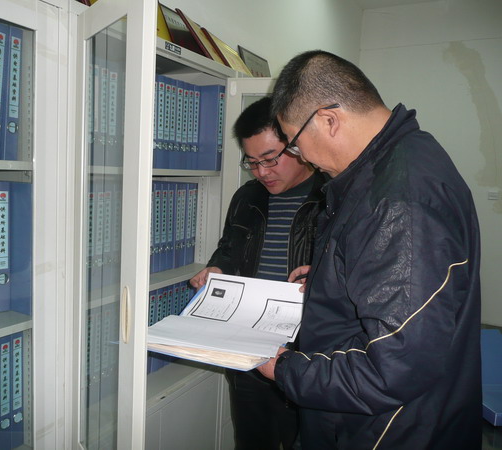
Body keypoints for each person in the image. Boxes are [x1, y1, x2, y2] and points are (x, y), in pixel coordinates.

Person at [256, 50, 482, 449]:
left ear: (329, 120)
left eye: (295, 144)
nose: (302, 157)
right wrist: (331, 276)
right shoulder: (398, 157)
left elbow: (393, 368)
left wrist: (287, 370)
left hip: (387, 430)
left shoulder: (399, 200)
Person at [189, 96, 326, 450]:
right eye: (252, 163)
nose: (262, 172)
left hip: (305, 354)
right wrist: (217, 267)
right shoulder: (247, 197)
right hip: (245, 348)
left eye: (270, 159)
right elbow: (230, 247)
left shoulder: (331, 197)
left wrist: (323, 279)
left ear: (296, 146)